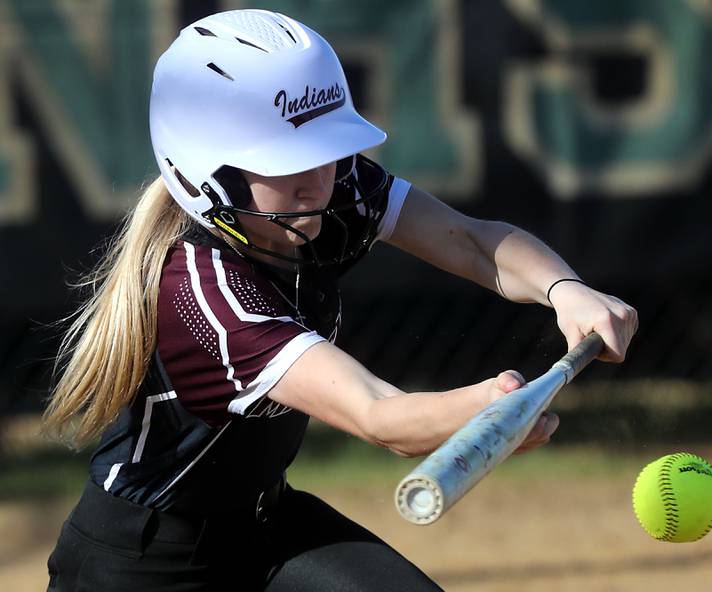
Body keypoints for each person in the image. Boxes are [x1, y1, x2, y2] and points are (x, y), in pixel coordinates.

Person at [43, 9, 637, 592]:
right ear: (208, 173)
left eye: (323, 150)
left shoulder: (329, 193)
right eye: (284, 161)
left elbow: (473, 243)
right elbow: (379, 415)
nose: (318, 179)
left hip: (266, 525)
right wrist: (496, 405)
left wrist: (567, 290)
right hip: (141, 564)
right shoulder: (202, 289)